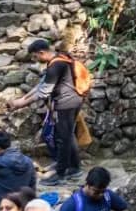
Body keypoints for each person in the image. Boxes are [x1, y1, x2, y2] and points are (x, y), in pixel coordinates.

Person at [9, 39, 83, 185]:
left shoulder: (56, 65)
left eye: (36, 57)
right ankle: (74, 168)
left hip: (66, 104)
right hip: (71, 101)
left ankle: (61, 174)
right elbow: (41, 84)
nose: (35, 60)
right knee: (67, 135)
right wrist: (23, 98)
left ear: (41, 52)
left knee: (62, 138)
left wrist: (21, 103)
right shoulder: (59, 59)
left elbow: (43, 92)